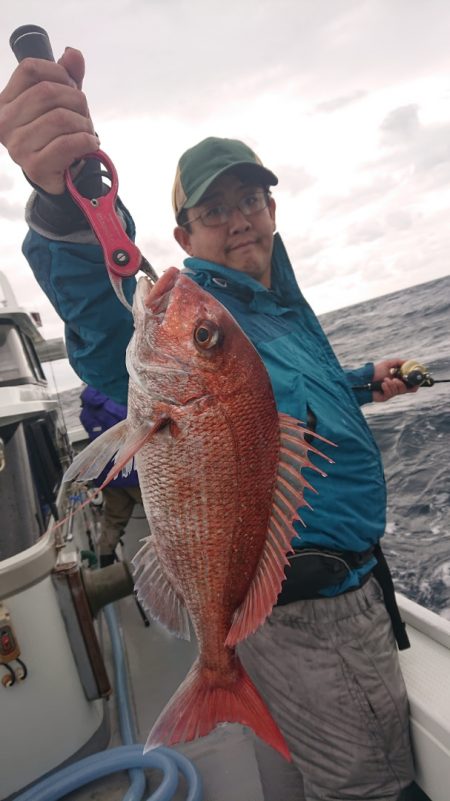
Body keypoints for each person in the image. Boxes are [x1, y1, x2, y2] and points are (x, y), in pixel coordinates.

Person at [0, 48, 419, 801]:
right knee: (368, 785)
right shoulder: (205, 318)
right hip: (315, 614)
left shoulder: (277, 307)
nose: (240, 220)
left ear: (274, 209)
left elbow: (295, 405)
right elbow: (103, 324)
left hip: (294, 596)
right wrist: (65, 206)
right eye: (214, 210)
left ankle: (224, 677)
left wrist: (364, 381)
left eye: (252, 200)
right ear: (184, 234)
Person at [79, 384, 147, 567]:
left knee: (113, 521)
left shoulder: (85, 413)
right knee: (162, 518)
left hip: (109, 478)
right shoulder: (115, 404)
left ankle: (105, 566)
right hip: (134, 475)